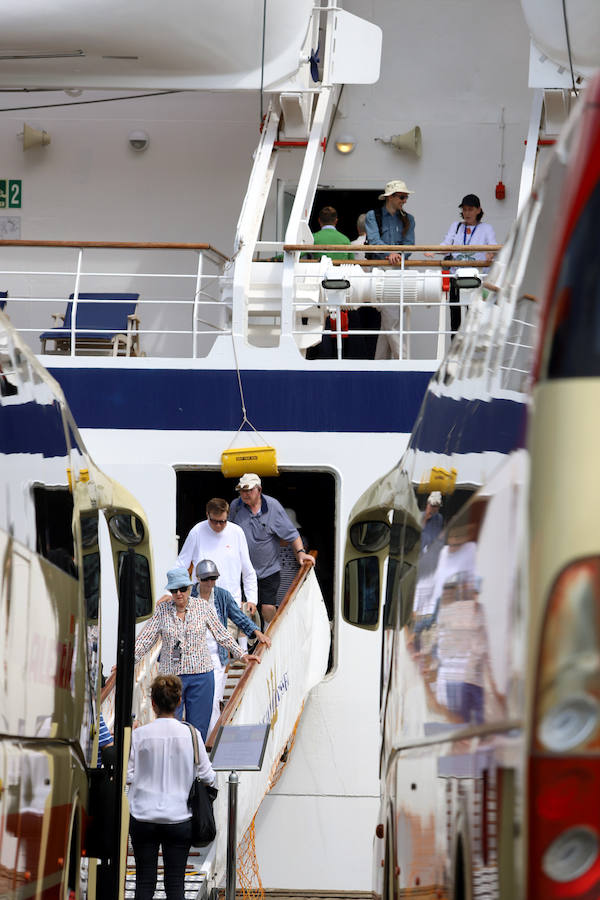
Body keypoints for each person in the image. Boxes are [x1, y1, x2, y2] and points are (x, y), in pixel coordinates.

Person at [134, 567, 260, 741]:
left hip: (201, 674)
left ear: (189, 588)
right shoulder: (162, 610)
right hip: (171, 677)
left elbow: (221, 633)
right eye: (174, 590)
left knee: (198, 730)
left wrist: (242, 654)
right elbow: (146, 639)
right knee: (170, 729)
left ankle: (195, 764)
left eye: (182, 589)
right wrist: (127, 662)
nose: (179, 593)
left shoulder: (202, 607)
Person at [127, 674, 216, 900]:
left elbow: (128, 775)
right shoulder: (191, 734)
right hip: (179, 818)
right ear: (178, 703)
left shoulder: (139, 735)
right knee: (175, 884)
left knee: (144, 882)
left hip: (142, 817)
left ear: (153, 703)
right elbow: (208, 776)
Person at [195, 558, 271, 734]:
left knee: (214, 701)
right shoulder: (189, 595)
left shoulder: (222, 596)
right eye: (206, 578)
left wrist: (257, 632)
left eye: (213, 578)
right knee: (195, 702)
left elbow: (238, 617)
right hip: (193, 657)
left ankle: (208, 742)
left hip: (216, 656)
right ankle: (197, 740)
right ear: (198, 578)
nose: (210, 582)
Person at [229, 474, 314, 626]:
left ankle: (271, 638)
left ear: (259, 490)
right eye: (242, 490)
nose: (245, 494)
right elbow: (225, 530)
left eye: (248, 490)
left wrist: (301, 553)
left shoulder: (273, 507)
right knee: (243, 608)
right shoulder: (236, 506)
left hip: (268, 570)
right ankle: (245, 645)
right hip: (243, 570)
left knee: (268, 608)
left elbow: (292, 533)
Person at [176, 497, 258, 651]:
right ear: (208, 515)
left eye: (223, 521)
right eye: (215, 521)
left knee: (224, 648)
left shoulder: (237, 532)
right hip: (201, 601)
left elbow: (248, 569)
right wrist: (172, 592)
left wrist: (252, 598)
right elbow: (181, 564)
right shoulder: (197, 532)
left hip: (229, 600)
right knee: (204, 647)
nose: (219, 525)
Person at [364, 180, 416, 359]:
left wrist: (399, 256)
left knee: (389, 320)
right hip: (380, 272)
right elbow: (373, 241)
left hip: (399, 273)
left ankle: (380, 363)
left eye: (406, 197)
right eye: (402, 196)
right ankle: (403, 359)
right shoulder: (373, 215)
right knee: (391, 319)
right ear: (391, 197)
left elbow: (409, 245)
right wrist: (390, 253)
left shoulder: (409, 219)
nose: (405, 200)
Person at [435, 193, 497, 333]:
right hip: (456, 276)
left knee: (473, 316)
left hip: (476, 278)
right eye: (464, 209)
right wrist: (434, 251)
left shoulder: (486, 228)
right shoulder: (456, 226)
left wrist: (490, 254)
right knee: (455, 316)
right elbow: (446, 244)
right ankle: (454, 347)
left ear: (478, 210)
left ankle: (468, 349)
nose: (467, 213)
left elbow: (493, 246)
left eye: (470, 209)